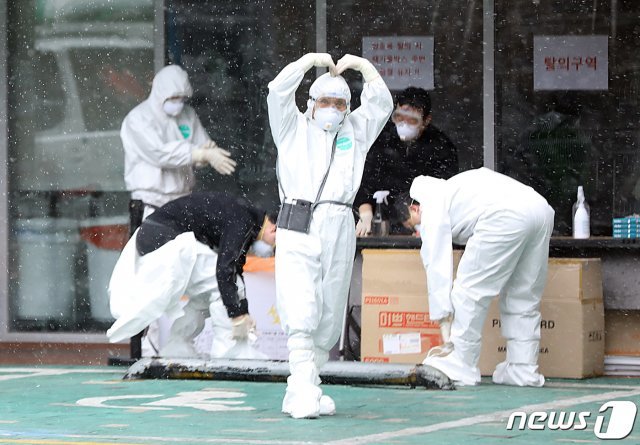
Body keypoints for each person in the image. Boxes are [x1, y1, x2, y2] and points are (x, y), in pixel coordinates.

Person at [267, 53, 393, 418]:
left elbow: (381, 103)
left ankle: (306, 383)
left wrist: (365, 69)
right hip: (299, 219)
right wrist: (307, 62)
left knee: (330, 305)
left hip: (339, 222)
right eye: (325, 101)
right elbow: (277, 91)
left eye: (341, 103)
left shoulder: (354, 130)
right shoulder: (291, 128)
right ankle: (303, 385)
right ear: (311, 104)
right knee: (302, 301)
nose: (333, 109)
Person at [395, 167, 554, 387]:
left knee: (469, 292)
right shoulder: (452, 189)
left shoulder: (430, 202)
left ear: (414, 208)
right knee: (523, 296)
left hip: (505, 215)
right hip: (540, 209)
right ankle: (523, 369)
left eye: (415, 225)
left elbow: (435, 261)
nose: (419, 232)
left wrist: (443, 316)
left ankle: (461, 363)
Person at [120, 64, 237, 356]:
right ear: (159, 92)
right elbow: (160, 153)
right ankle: (147, 346)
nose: (179, 103)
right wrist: (197, 153)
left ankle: (179, 343)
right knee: (153, 276)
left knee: (190, 274)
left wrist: (205, 152)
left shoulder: (187, 115)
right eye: (174, 97)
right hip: (151, 205)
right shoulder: (139, 119)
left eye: (183, 98)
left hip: (182, 205)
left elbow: (198, 143)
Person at [106, 192, 277, 360]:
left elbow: (235, 269)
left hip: (154, 236)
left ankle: (178, 344)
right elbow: (225, 271)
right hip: (165, 238)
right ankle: (229, 349)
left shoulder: (245, 219)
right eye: (276, 246)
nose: (272, 252)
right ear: (273, 228)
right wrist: (237, 316)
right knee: (221, 285)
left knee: (205, 296)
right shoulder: (243, 221)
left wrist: (243, 312)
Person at [355, 87, 459, 236]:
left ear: (426, 120)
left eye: (411, 119)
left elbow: (444, 190)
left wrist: (421, 217)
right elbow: (365, 180)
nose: (403, 124)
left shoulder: (441, 147)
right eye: (399, 117)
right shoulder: (381, 139)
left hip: (422, 223)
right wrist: (365, 214)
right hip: (381, 221)